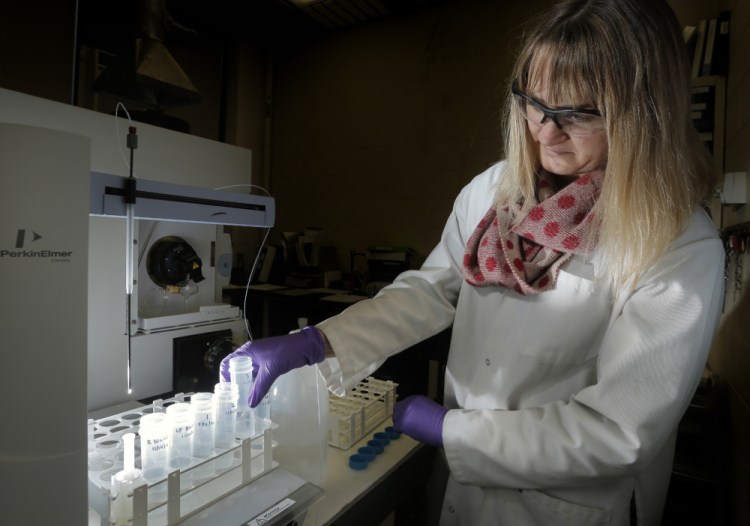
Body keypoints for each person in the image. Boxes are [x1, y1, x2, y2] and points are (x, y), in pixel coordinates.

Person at [221, 0, 725, 524]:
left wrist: (453, 432)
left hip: (570, 506)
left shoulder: (676, 244)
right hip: (463, 489)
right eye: (535, 103)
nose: (544, 133)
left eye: (577, 114)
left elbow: (618, 432)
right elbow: (433, 290)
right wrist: (320, 342)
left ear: (642, 112)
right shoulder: (494, 191)